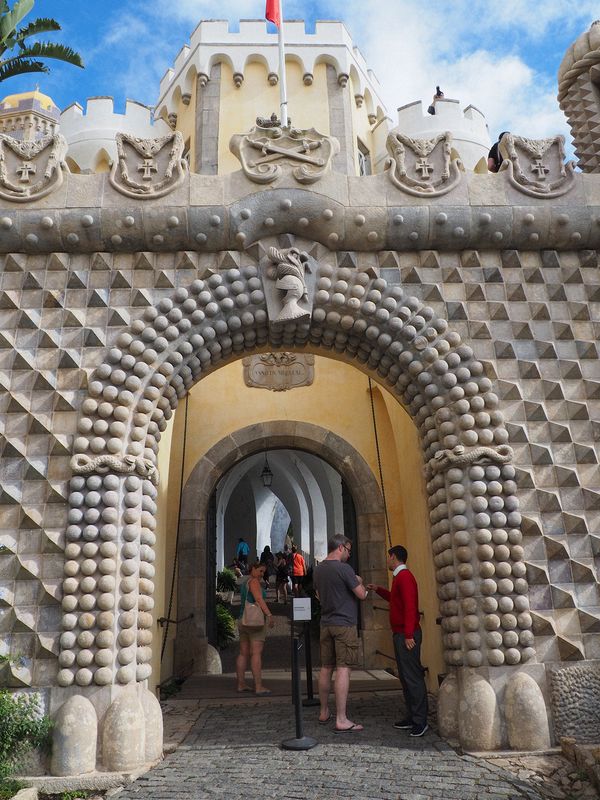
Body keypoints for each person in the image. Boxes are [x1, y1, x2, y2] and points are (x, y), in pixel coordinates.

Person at [367, 545, 429, 737]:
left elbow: (411, 607)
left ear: (393, 557)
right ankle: (412, 716)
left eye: (388, 557)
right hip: (401, 634)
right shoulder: (400, 578)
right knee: (406, 677)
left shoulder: (404, 577)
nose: (387, 561)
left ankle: (420, 720)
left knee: (412, 677)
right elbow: (395, 599)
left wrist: (409, 634)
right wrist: (379, 590)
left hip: (406, 635)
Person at [313, 534, 368, 733]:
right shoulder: (344, 569)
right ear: (341, 548)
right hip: (344, 624)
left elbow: (318, 595)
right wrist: (359, 581)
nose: (349, 554)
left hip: (326, 623)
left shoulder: (318, 570)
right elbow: (361, 594)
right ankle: (342, 718)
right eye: (349, 550)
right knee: (343, 668)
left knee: (326, 668)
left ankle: (324, 711)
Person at [236, 561, 275, 695]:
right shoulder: (253, 582)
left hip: (242, 620)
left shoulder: (245, 583)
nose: (261, 574)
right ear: (253, 568)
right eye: (260, 571)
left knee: (243, 653)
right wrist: (269, 615)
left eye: (263, 572)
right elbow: (259, 598)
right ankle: (258, 686)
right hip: (254, 622)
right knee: (256, 653)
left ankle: (241, 684)